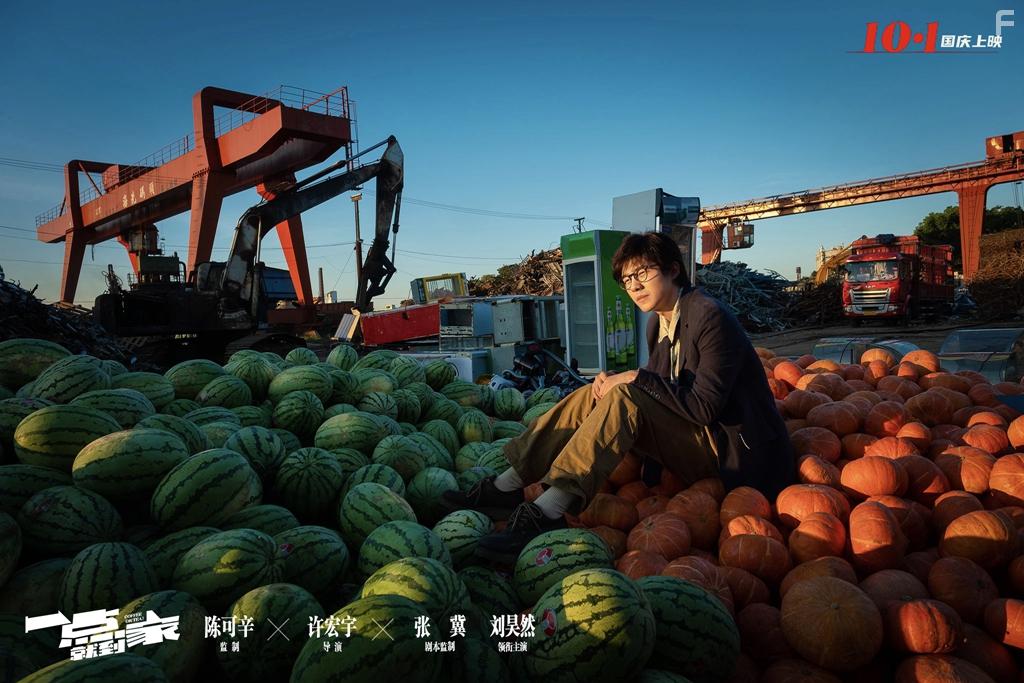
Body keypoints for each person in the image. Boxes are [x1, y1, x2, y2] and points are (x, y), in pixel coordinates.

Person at [441, 231, 794, 562]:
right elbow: (661, 388)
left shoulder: (709, 316)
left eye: (642, 273)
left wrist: (636, 377)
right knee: (592, 393)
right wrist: (614, 381)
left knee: (626, 394)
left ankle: (548, 511)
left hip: (728, 452)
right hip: (693, 437)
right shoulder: (659, 323)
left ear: (673, 270)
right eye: (626, 279)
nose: (634, 285)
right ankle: (508, 485)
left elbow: (703, 407)